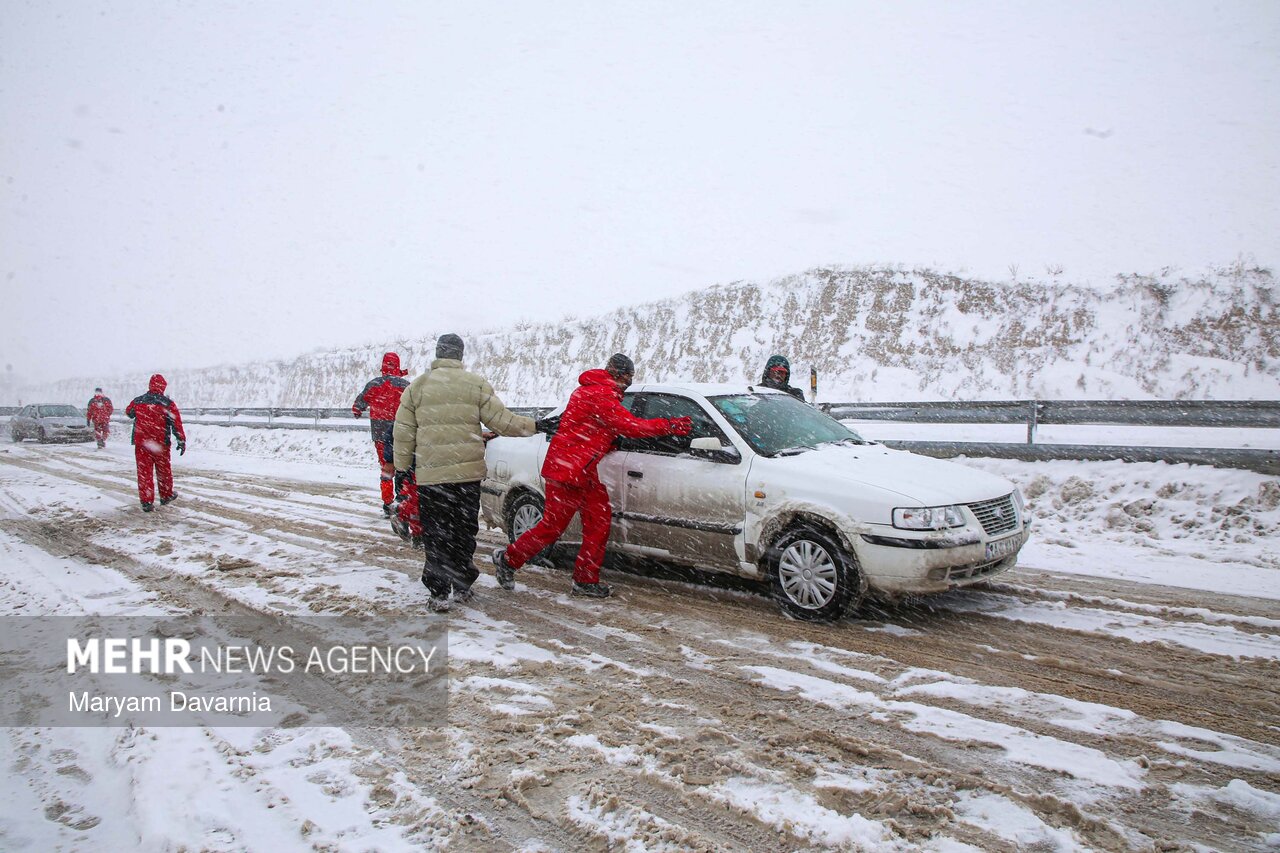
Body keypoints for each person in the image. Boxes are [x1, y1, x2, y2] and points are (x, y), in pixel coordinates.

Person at [492, 353, 692, 599]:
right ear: (619, 374)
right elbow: (630, 426)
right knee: (552, 528)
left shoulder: (591, 391)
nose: (630, 381)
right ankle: (507, 559)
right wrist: (670, 426)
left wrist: (608, 443)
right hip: (567, 472)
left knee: (599, 522)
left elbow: (590, 428)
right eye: (629, 376)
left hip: (582, 471)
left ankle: (585, 579)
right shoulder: (600, 394)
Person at [392, 334, 537, 611]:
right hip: (466, 477)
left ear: (438, 353)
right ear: (460, 355)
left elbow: (403, 432)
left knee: (436, 534)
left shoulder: (417, 387)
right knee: (463, 531)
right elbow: (503, 422)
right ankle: (462, 584)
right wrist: (535, 426)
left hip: (432, 477)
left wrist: (401, 466)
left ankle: (438, 593)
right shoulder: (475, 384)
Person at [352, 352, 411, 517]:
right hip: (401, 432)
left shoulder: (374, 384)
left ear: (383, 366)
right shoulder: (406, 386)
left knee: (386, 469)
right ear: (397, 365)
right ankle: (403, 499)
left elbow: (358, 405)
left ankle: (388, 502)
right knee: (404, 467)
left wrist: (358, 411)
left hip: (380, 434)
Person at [125, 374, 186, 512]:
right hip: (161, 444)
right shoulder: (168, 404)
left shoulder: (138, 401)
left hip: (142, 444)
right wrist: (181, 440)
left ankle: (146, 501)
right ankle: (166, 495)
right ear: (163, 387)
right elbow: (176, 423)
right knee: (164, 471)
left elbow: (129, 412)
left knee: (144, 472)